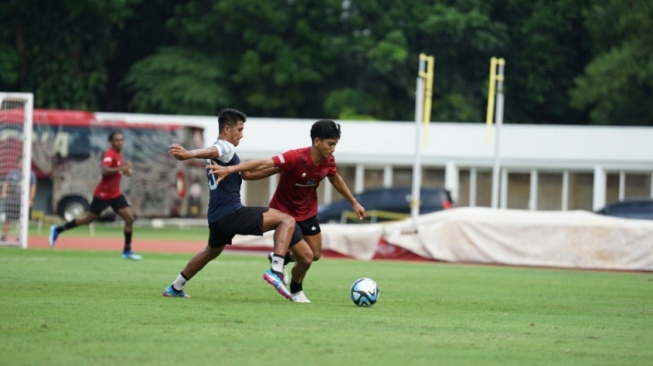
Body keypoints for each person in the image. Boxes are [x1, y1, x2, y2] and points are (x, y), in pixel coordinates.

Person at [162, 108, 313, 301]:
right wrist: (189, 154)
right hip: (231, 214)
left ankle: (175, 287)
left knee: (210, 252)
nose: (241, 135)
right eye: (239, 129)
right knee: (286, 220)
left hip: (216, 218)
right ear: (227, 129)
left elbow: (247, 174)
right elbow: (213, 150)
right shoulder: (225, 148)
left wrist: (278, 169)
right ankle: (276, 270)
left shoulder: (225, 154)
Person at [207, 119, 366, 303]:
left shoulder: (328, 160)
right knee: (305, 258)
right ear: (316, 141)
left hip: (308, 212)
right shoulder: (295, 157)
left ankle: (281, 259)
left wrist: (354, 203)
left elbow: (335, 178)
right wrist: (230, 169)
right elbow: (263, 163)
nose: (333, 149)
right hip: (285, 214)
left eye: (335, 145)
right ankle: (295, 289)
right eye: (330, 144)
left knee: (315, 255)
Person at [49, 131, 142, 261]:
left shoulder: (118, 155)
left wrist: (126, 171)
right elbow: (105, 170)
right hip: (103, 195)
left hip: (115, 194)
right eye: (116, 140)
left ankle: (127, 250)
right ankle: (58, 229)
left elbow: (119, 171)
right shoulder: (109, 154)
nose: (119, 142)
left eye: (121, 140)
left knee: (129, 218)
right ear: (111, 142)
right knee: (88, 219)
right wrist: (122, 168)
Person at [1, 157, 37, 242]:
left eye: (23, 163)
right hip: (12, 200)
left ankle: (20, 237)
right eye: (20, 162)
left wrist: (31, 199)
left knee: (22, 221)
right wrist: (4, 192)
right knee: (8, 220)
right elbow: (6, 183)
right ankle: (3, 236)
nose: (21, 164)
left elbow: (33, 187)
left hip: (23, 202)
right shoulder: (13, 173)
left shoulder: (31, 174)